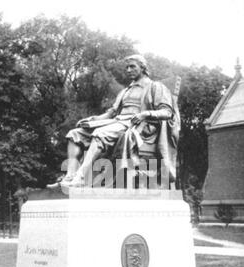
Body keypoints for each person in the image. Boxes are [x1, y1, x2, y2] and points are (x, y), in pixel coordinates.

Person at [47, 54, 179, 189]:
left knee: (100, 133)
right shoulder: (125, 91)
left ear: (143, 68)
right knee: (75, 134)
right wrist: (93, 120)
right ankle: (70, 176)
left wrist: (145, 114)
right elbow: (111, 113)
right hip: (117, 122)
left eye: (132, 66)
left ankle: (81, 177)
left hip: (138, 126)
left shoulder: (155, 87)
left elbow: (167, 113)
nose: (128, 70)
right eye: (127, 67)